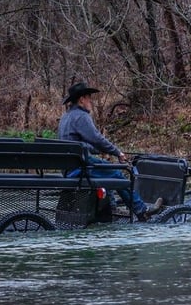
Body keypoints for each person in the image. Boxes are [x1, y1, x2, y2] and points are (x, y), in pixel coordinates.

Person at [58, 82, 162, 221]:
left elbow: (78, 143)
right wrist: (117, 152)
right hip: (80, 166)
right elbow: (96, 139)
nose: (91, 101)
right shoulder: (81, 117)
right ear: (81, 99)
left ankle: (111, 207)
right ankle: (142, 210)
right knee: (116, 174)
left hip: (69, 166)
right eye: (89, 97)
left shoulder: (67, 117)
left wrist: (98, 150)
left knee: (106, 170)